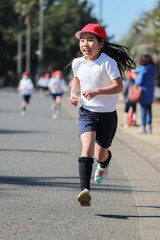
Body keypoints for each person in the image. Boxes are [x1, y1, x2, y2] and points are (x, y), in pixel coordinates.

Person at [70, 23, 136, 206]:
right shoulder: (78, 63)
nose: (85, 44)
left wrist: (97, 91)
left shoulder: (108, 62)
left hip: (107, 116)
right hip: (87, 113)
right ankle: (85, 190)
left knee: (101, 154)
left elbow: (119, 86)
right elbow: (76, 78)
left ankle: (104, 165)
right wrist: (73, 93)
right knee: (87, 148)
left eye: (90, 40)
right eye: (82, 40)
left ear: (100, 44)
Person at [135, 54, 156, 134]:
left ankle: (143, 127)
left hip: (143, 92)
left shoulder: (143, 69)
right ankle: (149, 128)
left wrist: (135, 78)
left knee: (143, 110)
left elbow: (140, 82)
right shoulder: (154, 68)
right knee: (149, 110)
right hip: (150, 91)